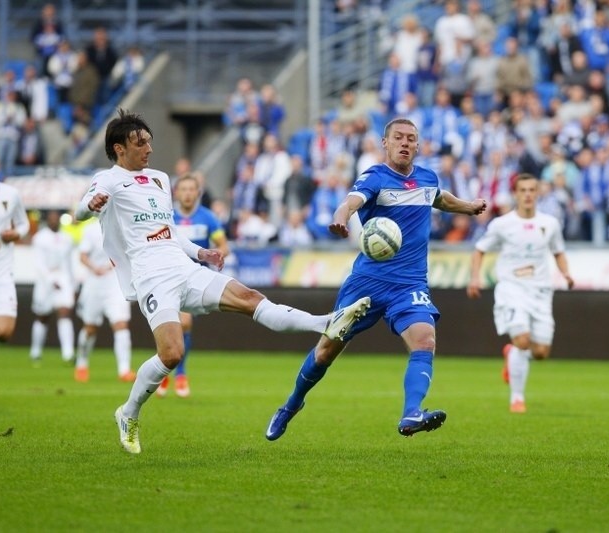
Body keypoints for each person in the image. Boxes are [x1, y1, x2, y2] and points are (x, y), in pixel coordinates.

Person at [75, 109, 371, 454]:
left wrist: (200, 253)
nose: (149, 149)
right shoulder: (107, 180)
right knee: (171, 354)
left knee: (249, 297)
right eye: (140, 143)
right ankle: (128, 412)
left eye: (150, 142)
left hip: (182, 266)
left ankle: (325, 322)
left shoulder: (159, 179)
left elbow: (167, 231)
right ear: (119, 148)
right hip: (150, 276)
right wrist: (90, 204)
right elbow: (81, 209)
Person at [264, 118, 487, 441]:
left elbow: (438, 198)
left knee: (425, 339)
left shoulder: (427, 178)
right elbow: (351, 202)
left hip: (410, 284)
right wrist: (341, 218)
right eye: (398, 137)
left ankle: (412, 413)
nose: (405, 143)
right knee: (326, 351)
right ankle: (291, 405)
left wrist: (468, 207)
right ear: (386, 142)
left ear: (418, 144)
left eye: (411, 138)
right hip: (367, 283)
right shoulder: (375, 177)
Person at [466, 174, 574, 414]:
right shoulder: (502, 224)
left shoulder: (550, 223)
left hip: (541, 291)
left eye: (532, 190)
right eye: (523, 190)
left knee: (541, 352)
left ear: (538, 193)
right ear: (515, 193)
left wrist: (566, 273)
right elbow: (479, 249)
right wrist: (475, 278)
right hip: (511, 288)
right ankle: (517, 398)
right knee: (523, 340)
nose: (527, 194)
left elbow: (558, 252)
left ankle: (512, 353)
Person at [155, 172, 230, 398]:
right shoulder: (167, 217)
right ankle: (167, 372)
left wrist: (213, 256)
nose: (187, 194)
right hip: (167, 277)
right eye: (183, 189)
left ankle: (179, 373)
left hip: (194, 278)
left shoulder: (208, 218)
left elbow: (223, 245)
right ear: (176, 193)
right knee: (169, 326)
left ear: (198, 193)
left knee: (184, 323)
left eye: (191, 190)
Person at [74, 219, 135, 383]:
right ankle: (82, 362)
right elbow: (82, 256)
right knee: (90, 328)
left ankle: (124, 369)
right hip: (94, 282)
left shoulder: (123, 223)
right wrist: (95, 268)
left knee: (121, 324)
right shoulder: (90, 229)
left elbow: (129, 251)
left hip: (116, 281)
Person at [29, 210, 77, 364]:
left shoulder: (67, 238)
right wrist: (50, 280)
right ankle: (36, 351)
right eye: (51, 219)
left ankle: (68, 353)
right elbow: (38, 263)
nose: (54, 221)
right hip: (45, 281)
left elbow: (70, 264)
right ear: (47, 220)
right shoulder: (39, 238)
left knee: (65, 312)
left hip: (63, 279)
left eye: (56, 218)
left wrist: (73, 284)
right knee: (42, 316)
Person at [0, 154, 30, 346]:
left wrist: (15, 234)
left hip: (1, 275)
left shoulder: (10, 194)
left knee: (3, 333)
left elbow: (23, 224)